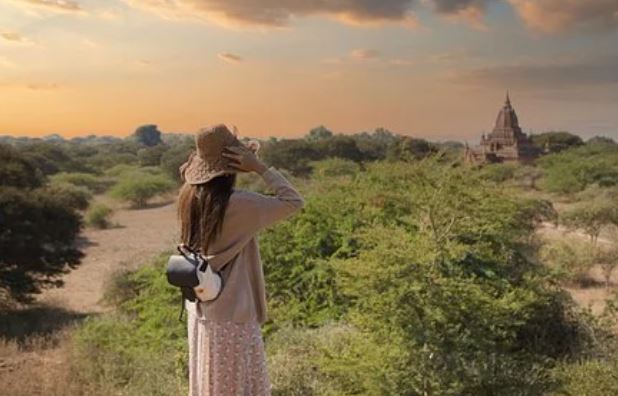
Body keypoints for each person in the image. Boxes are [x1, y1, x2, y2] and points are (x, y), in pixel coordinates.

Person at [176, 124, 305, 396]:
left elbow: (190, 180)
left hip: (200, 309)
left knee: (210, 386)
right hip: (232, 315)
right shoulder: (239, 204)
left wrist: (195, 170)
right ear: (231, 168)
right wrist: (259, 167)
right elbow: (293, 201)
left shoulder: (189, 197)